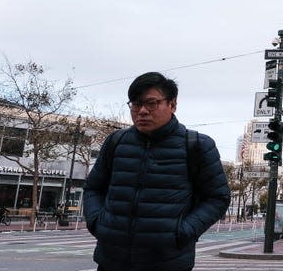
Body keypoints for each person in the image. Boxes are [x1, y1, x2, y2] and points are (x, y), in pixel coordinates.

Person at [83, 72, 231, 271]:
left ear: (172, 104)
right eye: (135, 104)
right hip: (111, 259)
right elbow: (93, 188)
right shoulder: (116, 142)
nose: (142, 111)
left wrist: (183, 232)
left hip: (168, 262)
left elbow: (217, 198)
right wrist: (97, 223)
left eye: (151, 103)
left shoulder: (197, 145)